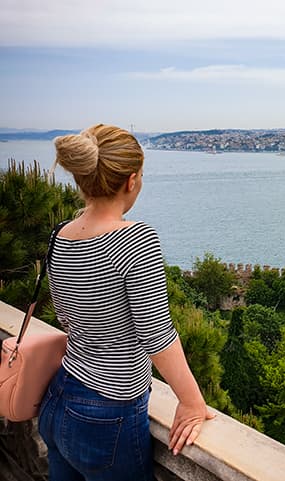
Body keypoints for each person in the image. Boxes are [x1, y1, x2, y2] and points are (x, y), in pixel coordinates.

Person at [39, 124, 214, 480]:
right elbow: (156, 335)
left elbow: (65, 314)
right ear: (131, 181)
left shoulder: (61, 234)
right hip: (107, 413)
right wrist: (192, 401)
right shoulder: (136, 240)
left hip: (58, 397)